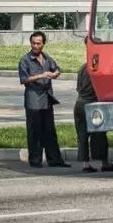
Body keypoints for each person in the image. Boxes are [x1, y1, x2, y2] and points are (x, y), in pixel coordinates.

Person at [18, 31, 70, 169]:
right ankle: (35, 161)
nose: (35, 46)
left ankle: (55, 160)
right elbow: (24, 79)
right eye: (33, 43)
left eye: (38, 43)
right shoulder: (25, 60)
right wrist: (41, 75)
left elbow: (57, 69)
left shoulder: (47, 58)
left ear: (43, 44)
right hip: (33, 101)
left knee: (49, 131)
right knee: (35, 132)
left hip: (47, 99)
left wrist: (54, 74)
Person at [74, 43, 113, 173]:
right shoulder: (98, 67)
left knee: (82, 135)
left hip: (79, 104)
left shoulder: (83, 67)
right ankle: (104, 163)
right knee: (99, 134)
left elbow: (78, 88)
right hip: (93, 104)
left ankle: (85, 164)